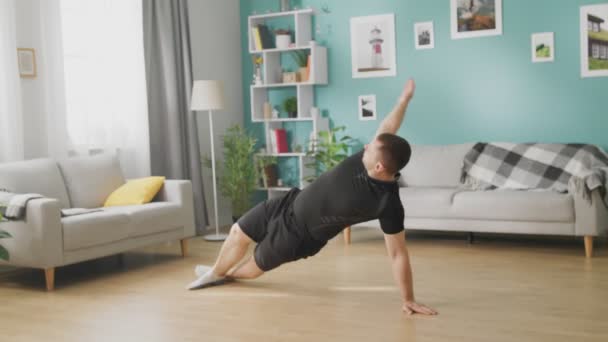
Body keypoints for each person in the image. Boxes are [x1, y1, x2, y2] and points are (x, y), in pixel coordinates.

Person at [187, 79, 438, 316]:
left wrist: (408, 299)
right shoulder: (368, 160)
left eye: (371, 149)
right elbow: (388, 128)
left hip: (299, 237)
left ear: (380, 168)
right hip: (289, 202)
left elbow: (398, 254)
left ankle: (223, 275)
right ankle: (214, 272)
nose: (365, 147)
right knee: (236, 232)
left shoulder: (388, 204)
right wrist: (404, 100)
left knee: (251, 270)